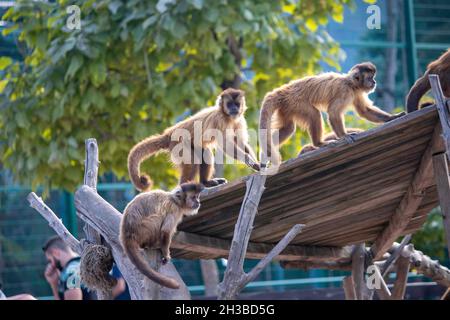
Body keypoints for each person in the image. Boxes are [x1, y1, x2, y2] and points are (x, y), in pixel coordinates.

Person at [42, 236, 95, 300]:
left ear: (55, 253)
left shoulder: (70, 272)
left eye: (50, 260)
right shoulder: (84, 263)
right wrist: (54, 283)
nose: (51, 265)